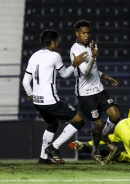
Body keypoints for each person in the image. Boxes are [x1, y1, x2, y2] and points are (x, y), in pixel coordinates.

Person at [22, 29, 94, 164]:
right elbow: (65, 74)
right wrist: (75, 64)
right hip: (51, 101)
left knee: (52, 123)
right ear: (53, 42)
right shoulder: (55, 56)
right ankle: (53, 148)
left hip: (38, 102)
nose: (58, 44)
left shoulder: (34, 56)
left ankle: (43, 158)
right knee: (79, 121)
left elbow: (25, 82)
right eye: (57, 41)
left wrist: (32, 96)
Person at [70, 19, 121, 164]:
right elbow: (85, 72)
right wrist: (93, 56)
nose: (86, 35)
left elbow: (93, 69)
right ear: (77, 33)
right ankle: (95, 151)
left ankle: (104, 136)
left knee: (115, 115)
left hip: (99, 89)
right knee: (98, 124)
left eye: (88, 32)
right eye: (83, 33)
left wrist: (105, 76)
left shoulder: (91, 45)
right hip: (86, 94)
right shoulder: (75, 50)